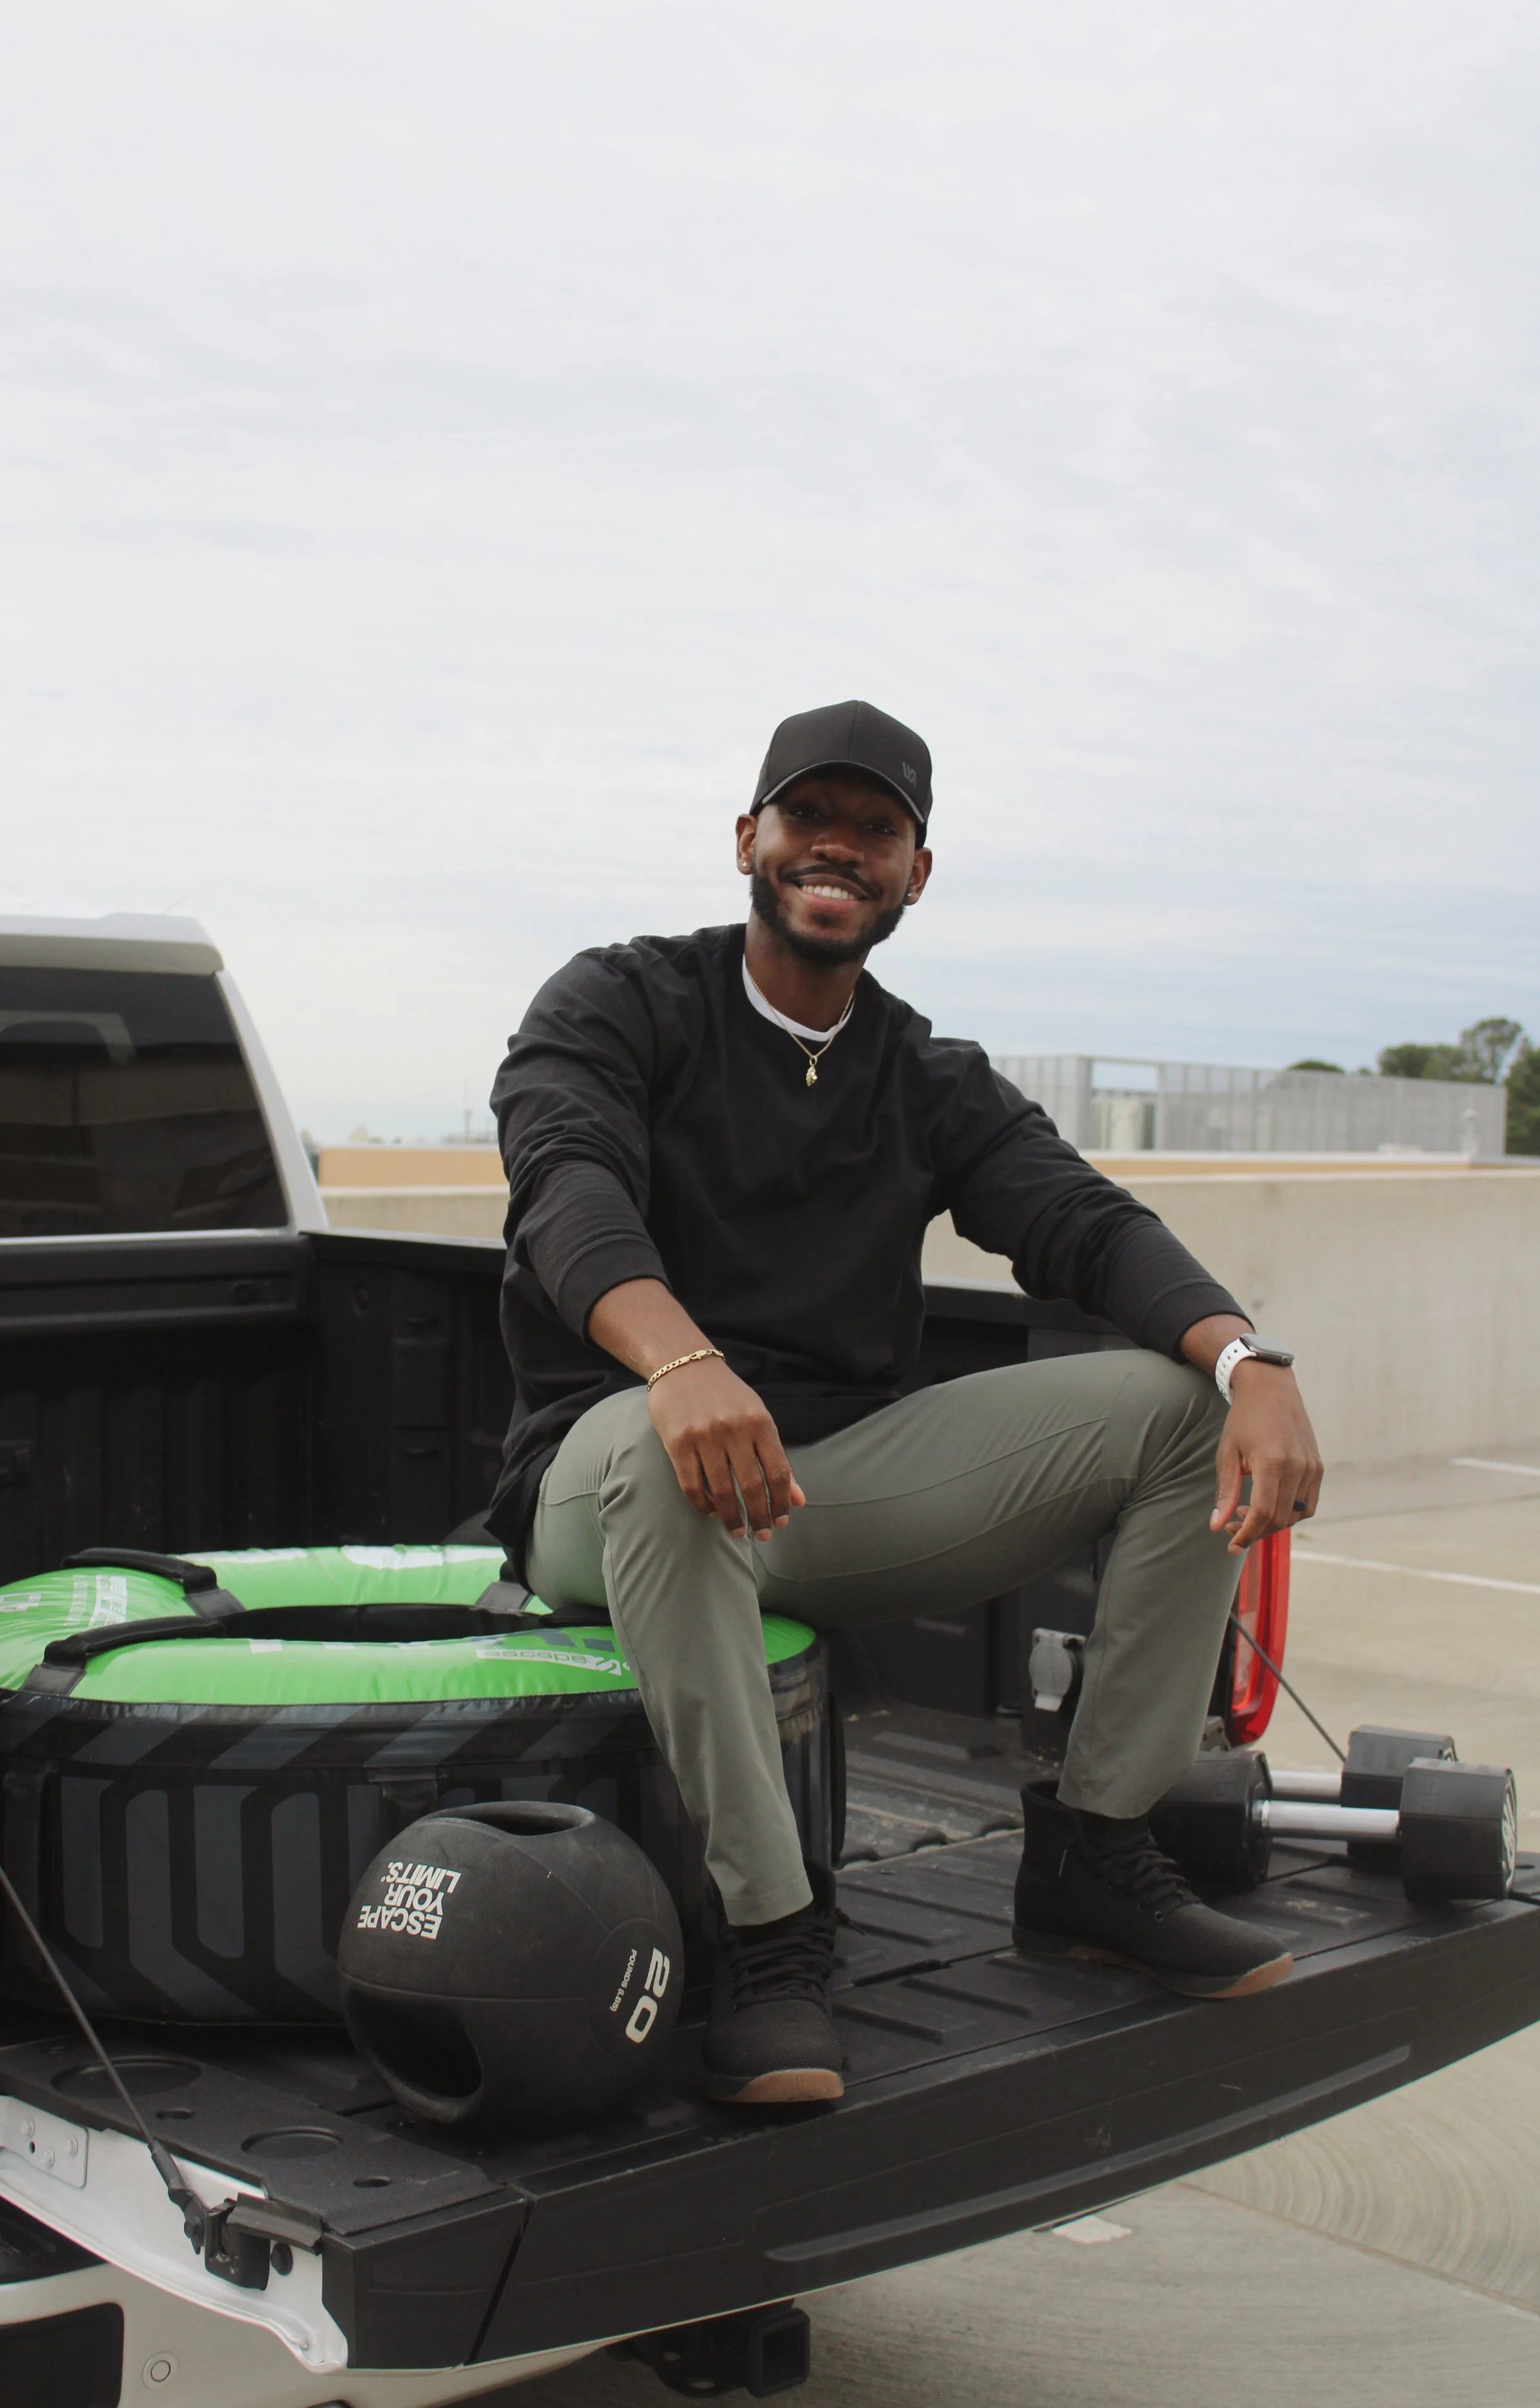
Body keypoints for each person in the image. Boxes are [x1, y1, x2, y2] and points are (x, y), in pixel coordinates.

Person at [487, 699, 1323, 2109]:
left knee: (1183, 1407)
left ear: (913, 874)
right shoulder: (620, 1000)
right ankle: (772, 1932)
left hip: (819, 1485)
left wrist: (1250, 1363)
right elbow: (561, 1186)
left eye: (874, 829)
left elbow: (1077, 1221)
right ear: (745, 838)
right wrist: (682, 1365)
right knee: (652, 1446)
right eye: (807, 816)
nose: (837, 847)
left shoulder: (924, 1072)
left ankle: (1093, 1855)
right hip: (603, 1478)